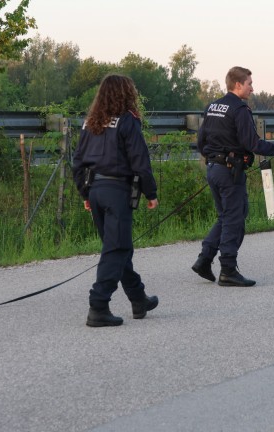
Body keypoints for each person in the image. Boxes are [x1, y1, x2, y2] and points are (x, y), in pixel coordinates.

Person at [72, 74, 159, 327]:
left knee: (117, 247)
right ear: (126, 94)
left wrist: (86, 194)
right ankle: (98, 305)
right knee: (116, 248)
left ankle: (138, 298)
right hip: (117, 190)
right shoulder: (127, 122)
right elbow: (140, 161)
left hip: (96, 191)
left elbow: (78, 162)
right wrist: (150, 193)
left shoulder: (91, 123)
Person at [192, 66, 274, 287]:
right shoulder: (240, 109)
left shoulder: (212, 106)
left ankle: (204, 259)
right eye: (249, 84)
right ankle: (227, 270)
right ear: (238, 84)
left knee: (227, 215)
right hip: (229, 171)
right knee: (234, 218)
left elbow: (201, 141)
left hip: (214, 169)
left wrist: (212, 159)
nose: (252, 88)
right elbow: (252, 143)